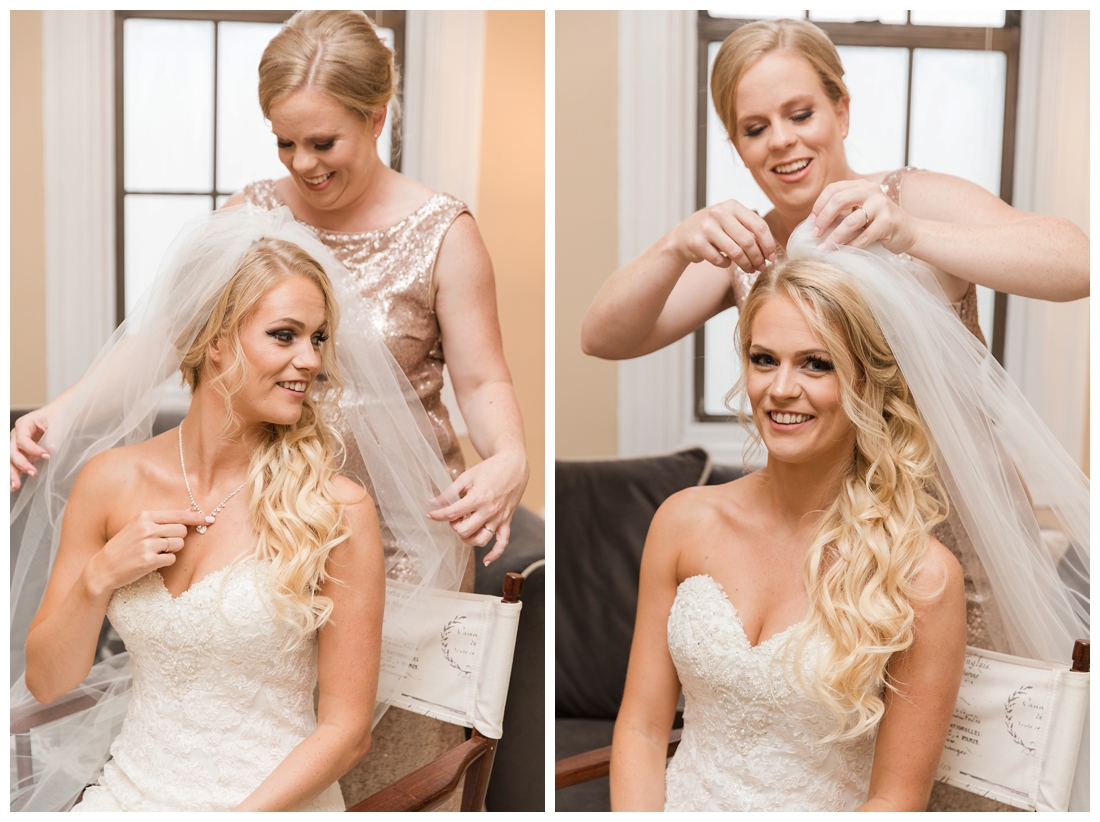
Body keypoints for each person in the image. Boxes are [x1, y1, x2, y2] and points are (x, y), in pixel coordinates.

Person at [10, 10, 530, 804]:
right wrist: (64, 410)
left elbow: (484, 382)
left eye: (323, 142)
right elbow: (162, 338)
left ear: (377, 115)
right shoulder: (249, 217)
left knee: (378, 772)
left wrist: (509, 457)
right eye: (284, 142)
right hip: (237, 513)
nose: (302, 163)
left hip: (391, 540)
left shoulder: (441, 231)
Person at [609, 222, 1089, 811]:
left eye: (817, 364)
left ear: (869, 382)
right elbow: (640, 728)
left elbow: (895, 801)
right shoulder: (682, 522)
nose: (782, 388)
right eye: (764, 359)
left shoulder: (922, 577)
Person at [10, 206, 466, 811]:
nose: (311, 360)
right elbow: (46, 681)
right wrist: (101, 577)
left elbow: (346, 732)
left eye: (318, 338)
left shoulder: (334, 508)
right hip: (126, 796)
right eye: (285, 335)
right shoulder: (110, 482)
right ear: (217, 342)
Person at [581, 18, 1088, 363]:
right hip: (821, 515)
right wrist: (673, 246)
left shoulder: (910, 200)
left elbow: (1078, 264)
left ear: (841, 112)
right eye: (755, 129)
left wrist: (911, 233)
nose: (781, 140)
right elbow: (602, 340)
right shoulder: (747, 249)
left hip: (943, 508)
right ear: (737, 147)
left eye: (800, 114)